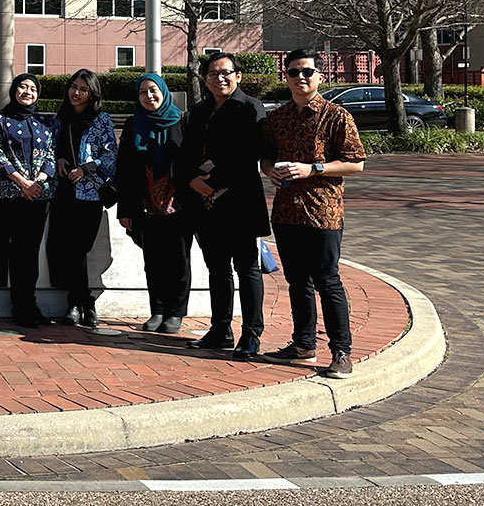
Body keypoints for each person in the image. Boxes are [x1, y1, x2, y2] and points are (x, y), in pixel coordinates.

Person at [262, 48, 367, 378]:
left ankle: (341, 351)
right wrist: (269, 171)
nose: (300, 77)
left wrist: (314, 168)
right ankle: (303, 344)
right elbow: (266, 157)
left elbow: (356, 163)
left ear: (320, 76)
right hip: (286, 212)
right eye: (293, 72)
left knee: (327, 280)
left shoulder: (337, 116)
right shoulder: (277, 118)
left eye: (307, 72)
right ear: (287, 78)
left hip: (324, 212)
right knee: (296, 282)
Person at [180, 53, 270, 358]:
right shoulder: (197, 112)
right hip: (205, 203)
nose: (220, 79)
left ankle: (251, 333)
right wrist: (192, 181)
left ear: (238, 75)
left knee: (247, 268)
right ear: (204, 79)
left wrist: (214, 178)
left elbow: (249, 152)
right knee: (216, 268)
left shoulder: (250, 107)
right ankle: (220, 329)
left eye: (226, 73)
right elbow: (184, 155)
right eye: (213, 74)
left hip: (240, 199)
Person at [116, 73, 191, 334]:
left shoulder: (181, 121)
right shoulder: (133, 124)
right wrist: (125, 209)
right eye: (143, 92)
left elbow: (190, 161)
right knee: (154, 261)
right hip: (145, 202)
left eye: (153, 90)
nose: (149, 96)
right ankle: (157, 310)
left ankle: (176, 312)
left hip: (177, 203)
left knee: (178, 261)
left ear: (163, 91)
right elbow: (123, 168)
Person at [46, 69, 118, 328]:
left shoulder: (101, 119)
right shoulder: (60, 118)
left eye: (83, 89)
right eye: (74, 87)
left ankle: (80, 303)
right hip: (63, 192)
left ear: (92, 93)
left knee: (81, 248)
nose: (76, 92)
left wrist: (85, 168)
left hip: (89, 194)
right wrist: (59, 160)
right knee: (66, 249)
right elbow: (49, 147)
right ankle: (81, 304)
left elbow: (111, 155)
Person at [0, 72, 55, 327]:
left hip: (39, 195)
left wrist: (39, 181)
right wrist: (23, 183)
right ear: (14, 90)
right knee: (16, 252)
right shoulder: (0, 120)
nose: (28, 92)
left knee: (31, 252)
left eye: (33, 89)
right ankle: (20, 306)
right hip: (12, 193)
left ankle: (31, 303)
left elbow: (50, 154)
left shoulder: (44, 122)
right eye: (23, 87)